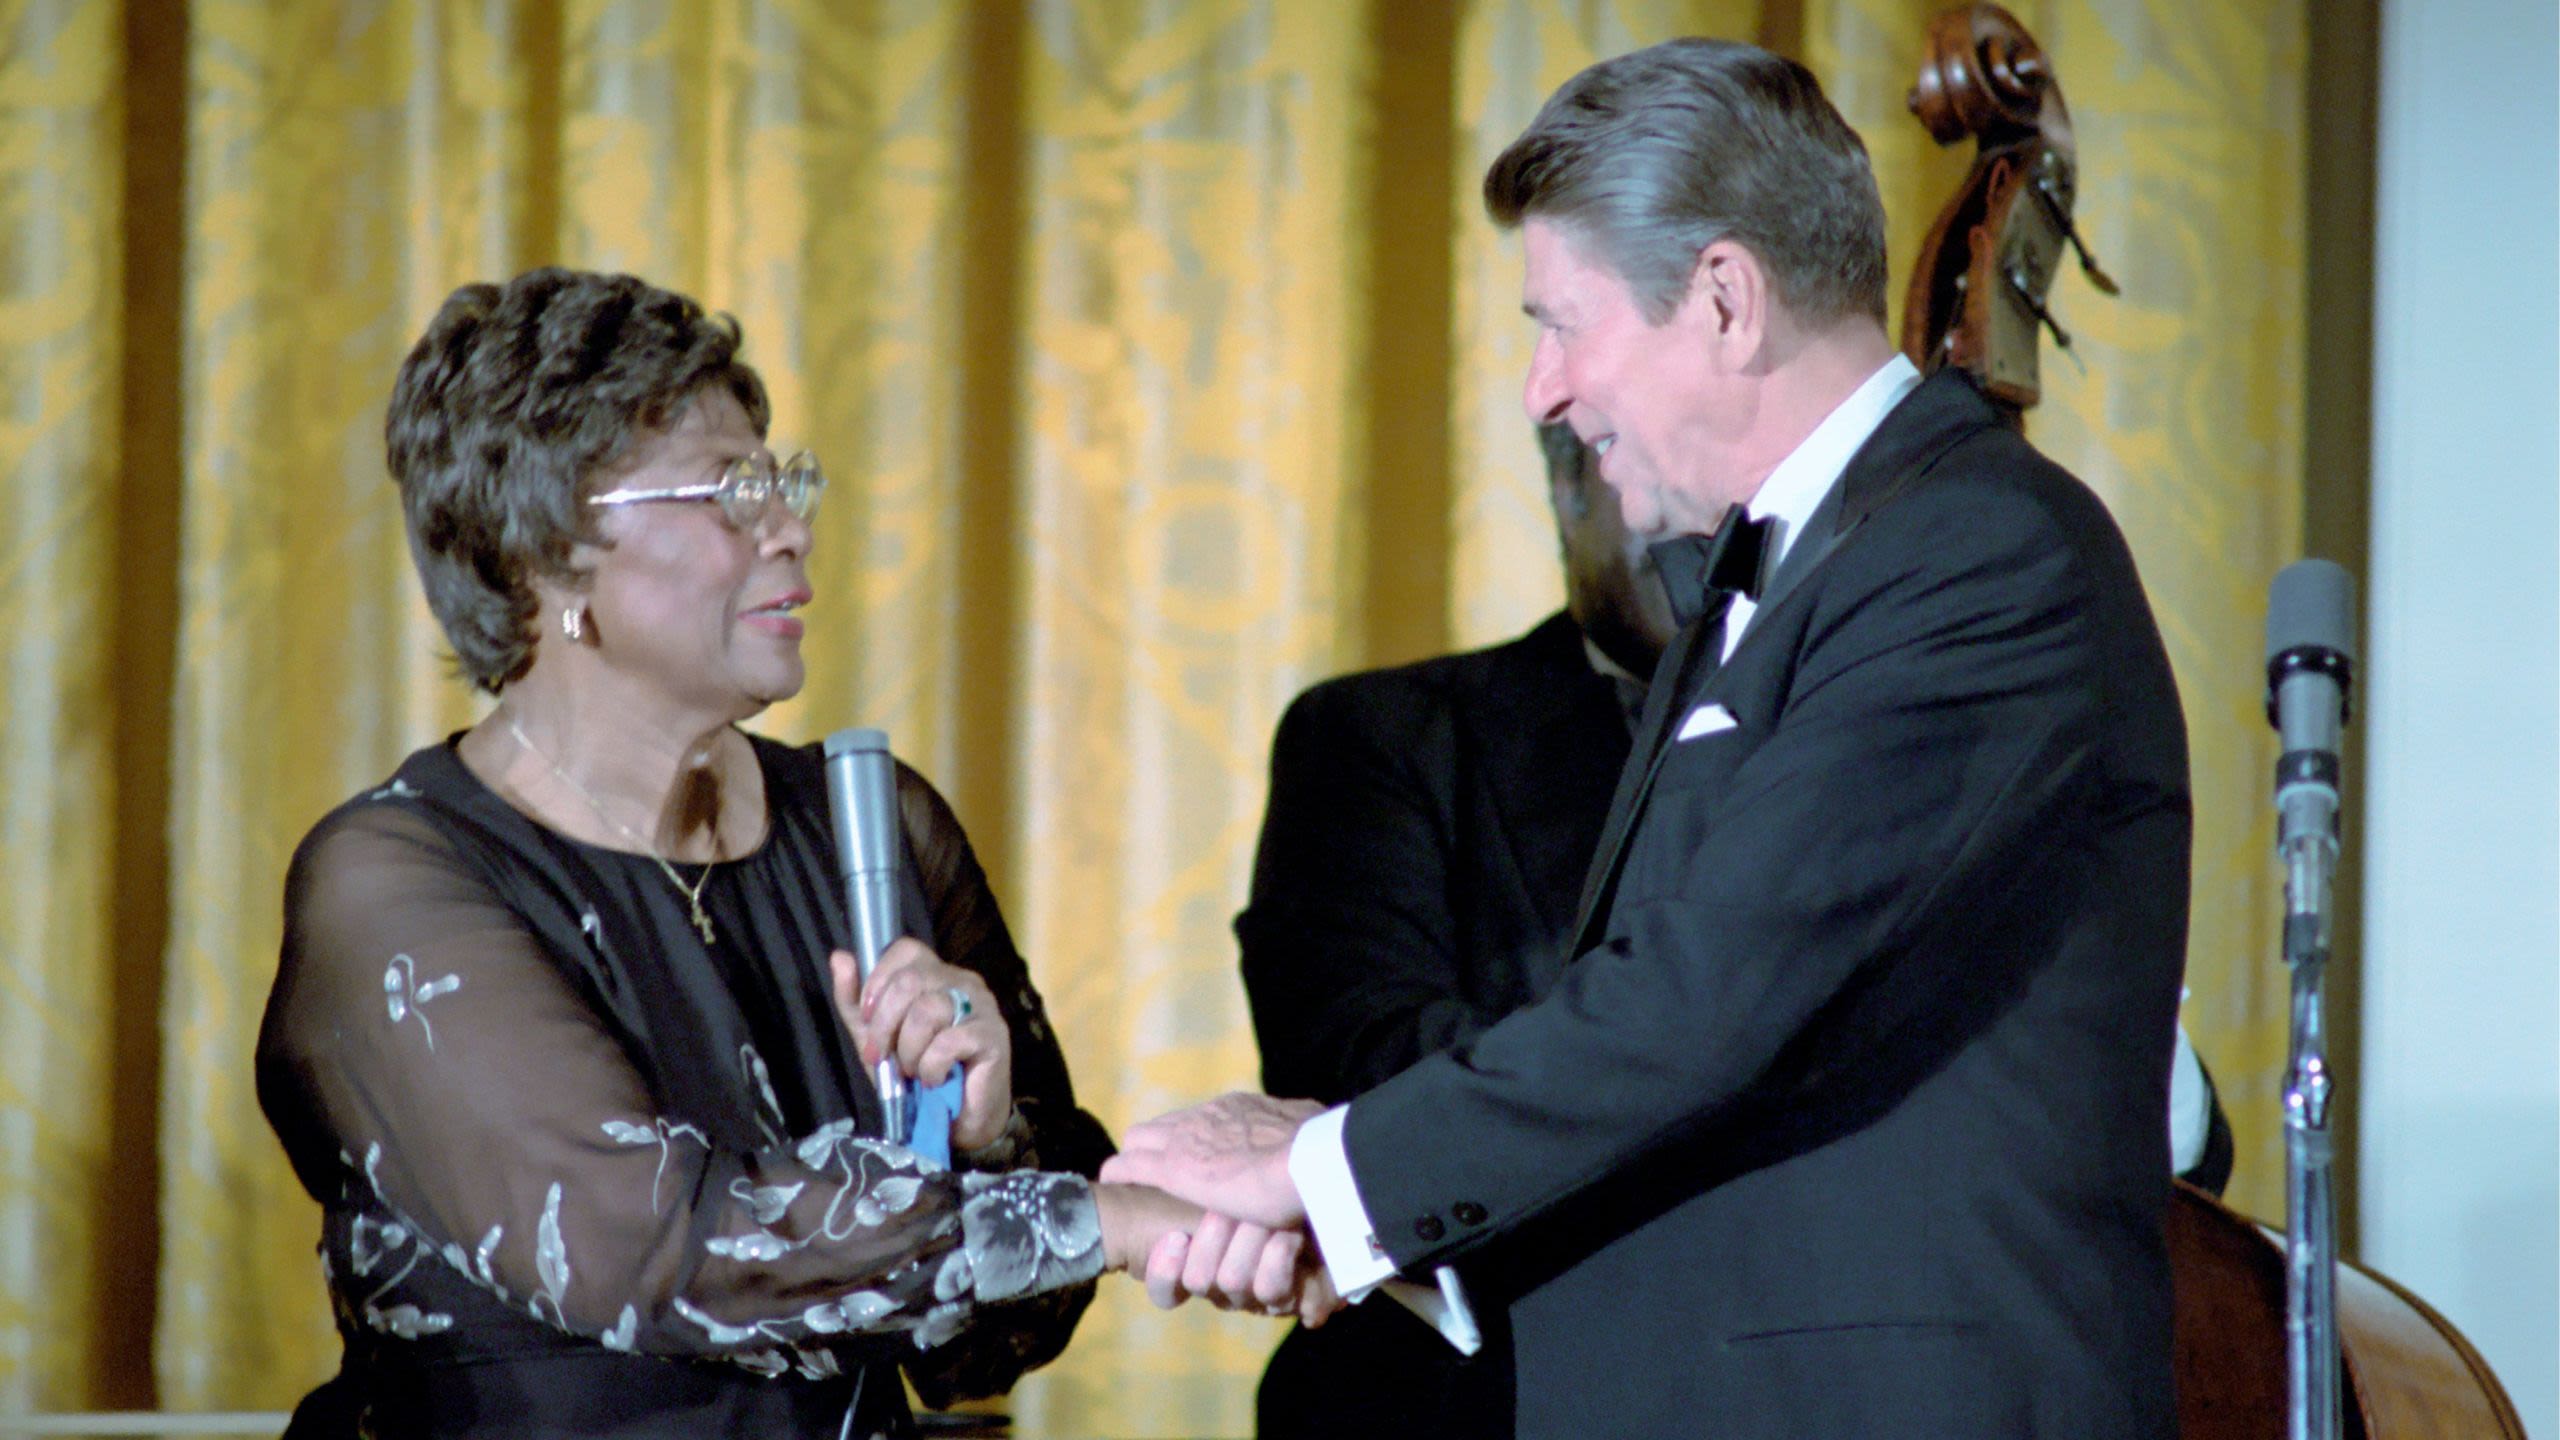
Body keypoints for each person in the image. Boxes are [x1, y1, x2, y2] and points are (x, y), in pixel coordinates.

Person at [1110, 38, 2192, 1438]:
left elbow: (1707, 997)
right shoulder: (1767, 577)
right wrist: (1360, 1224)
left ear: (1726, 300)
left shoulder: (1977, 554)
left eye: (1561, 323)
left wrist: (1327, 1175)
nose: (1540, 392)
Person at [255, 267, 1315, 1439]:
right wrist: (1115, 1221)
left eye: (784, 478)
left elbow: (992, 1350)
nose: (792, 527)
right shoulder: (392, 881)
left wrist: (986, 1131)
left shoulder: (876, 820)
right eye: (733, 490)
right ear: (549, 556)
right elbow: (655, 1249)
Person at [1240, 425, 2232, 1437]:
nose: (1702, 535)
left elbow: (2114, 1153)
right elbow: (1363, 1070)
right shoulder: (1384, 737)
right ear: (1565, 487)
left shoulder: (1912, 690)